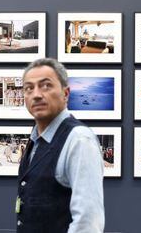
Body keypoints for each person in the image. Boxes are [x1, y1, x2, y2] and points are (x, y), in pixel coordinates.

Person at [16, 58, 104, 232]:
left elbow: (87, 222)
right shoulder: (35, 139)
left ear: (66, 93)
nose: (36, 94)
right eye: (29, 88)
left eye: (46, 86)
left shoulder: (78, 140)